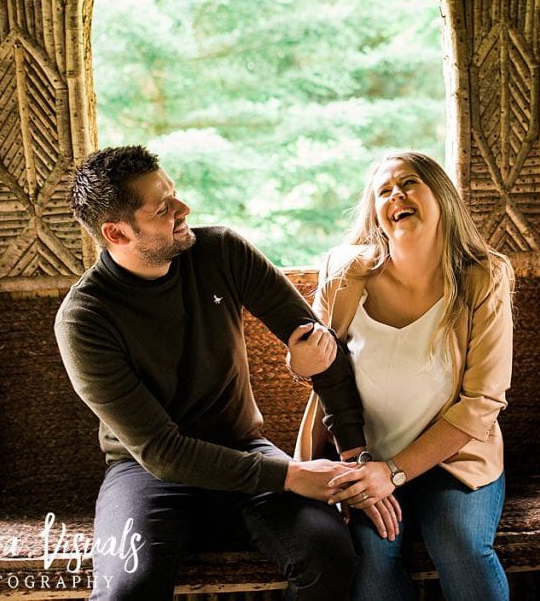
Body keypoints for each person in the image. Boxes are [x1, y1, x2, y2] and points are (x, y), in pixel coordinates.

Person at [55, 145, 369, 600]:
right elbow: (162, 451)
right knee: (126, 588)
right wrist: (294, 475)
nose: (184, 209)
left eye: (175, 194)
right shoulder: (84, 318)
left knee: (330, 552)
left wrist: (353, 457)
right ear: (116, 232)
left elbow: (321, 348)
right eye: (163, 208)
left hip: (244, 446)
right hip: (147, 472)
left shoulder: (221, 250)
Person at [295, 151, 514, 600]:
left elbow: (483, 402)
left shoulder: (483, 276)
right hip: (359, 457)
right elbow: (315, 371)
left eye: (409, 183)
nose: (396, 194)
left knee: (461, 546)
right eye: (384, 190)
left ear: (442, 197)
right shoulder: (344, 272)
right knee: (370, 559)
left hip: (453, 460)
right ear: (376, 212)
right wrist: (300, 362)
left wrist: (392, 473)